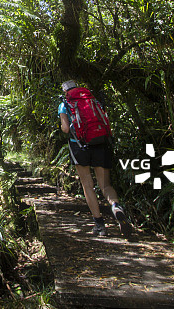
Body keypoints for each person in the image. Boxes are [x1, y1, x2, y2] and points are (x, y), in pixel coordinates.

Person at [58, 80, 132, 237]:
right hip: (100, 143)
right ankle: (116, 207)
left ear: (65, 91)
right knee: (105, 185)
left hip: (79, 146)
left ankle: (99, 224)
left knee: (87, 185)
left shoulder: (65, 104)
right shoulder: (93, 100)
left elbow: (65, 129)